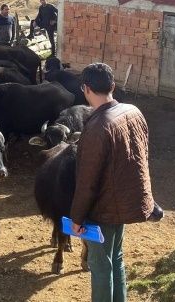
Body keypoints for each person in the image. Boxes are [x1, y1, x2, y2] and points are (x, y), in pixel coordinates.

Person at [70, 63, 157, 302]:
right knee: (116, 257)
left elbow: (87, 181)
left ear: (85, 89)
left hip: (103, 210)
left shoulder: (97, 128)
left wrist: (77, 218)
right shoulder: (133, 111)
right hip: (126, 201)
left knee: (99, 266)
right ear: (113, 86)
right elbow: (143, 157)